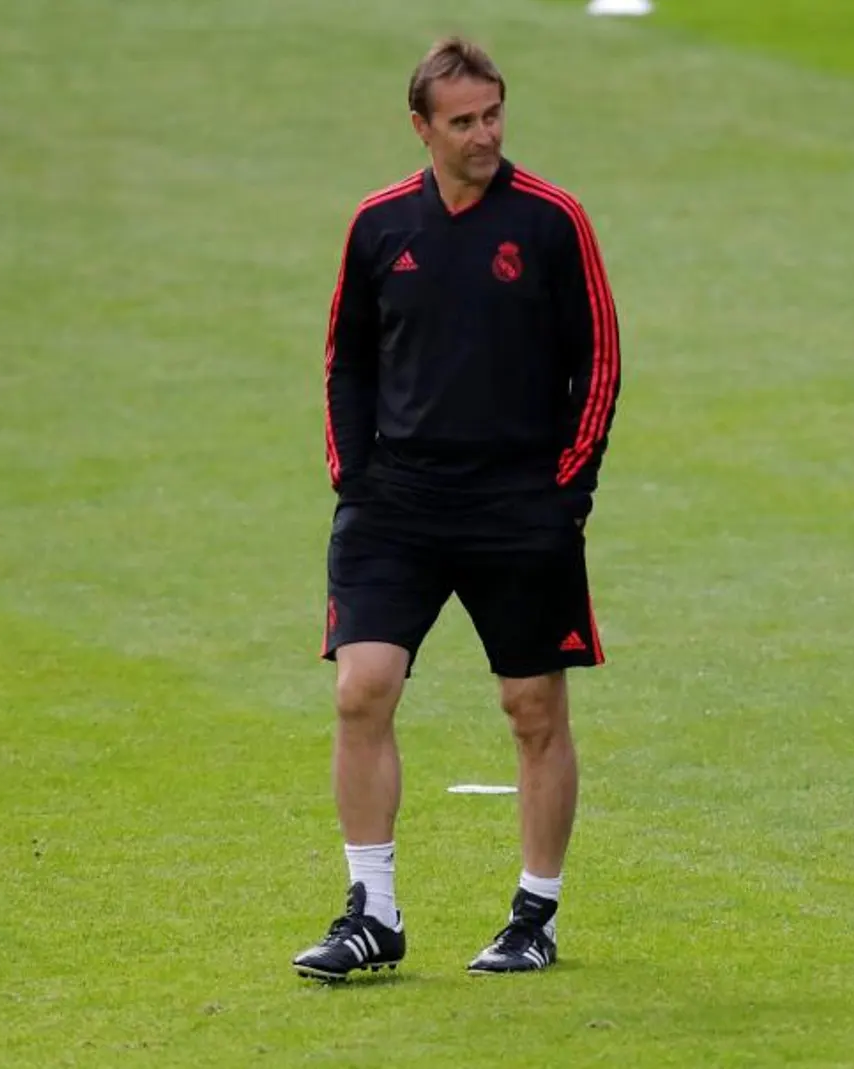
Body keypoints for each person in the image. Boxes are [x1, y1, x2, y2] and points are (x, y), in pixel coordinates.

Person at [290, 36, 623, 981]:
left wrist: (567, 493)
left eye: (494, 113)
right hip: (396, 502)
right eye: (465, 120)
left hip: (520, 504)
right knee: (361, 688)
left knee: (531, 709)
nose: (486, 133)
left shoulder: (553, 221)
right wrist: (354, 477)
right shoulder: (380, 226)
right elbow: (346, 358)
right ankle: (373, 910)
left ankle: (535, 912)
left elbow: (597, 358)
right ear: (422, 128)